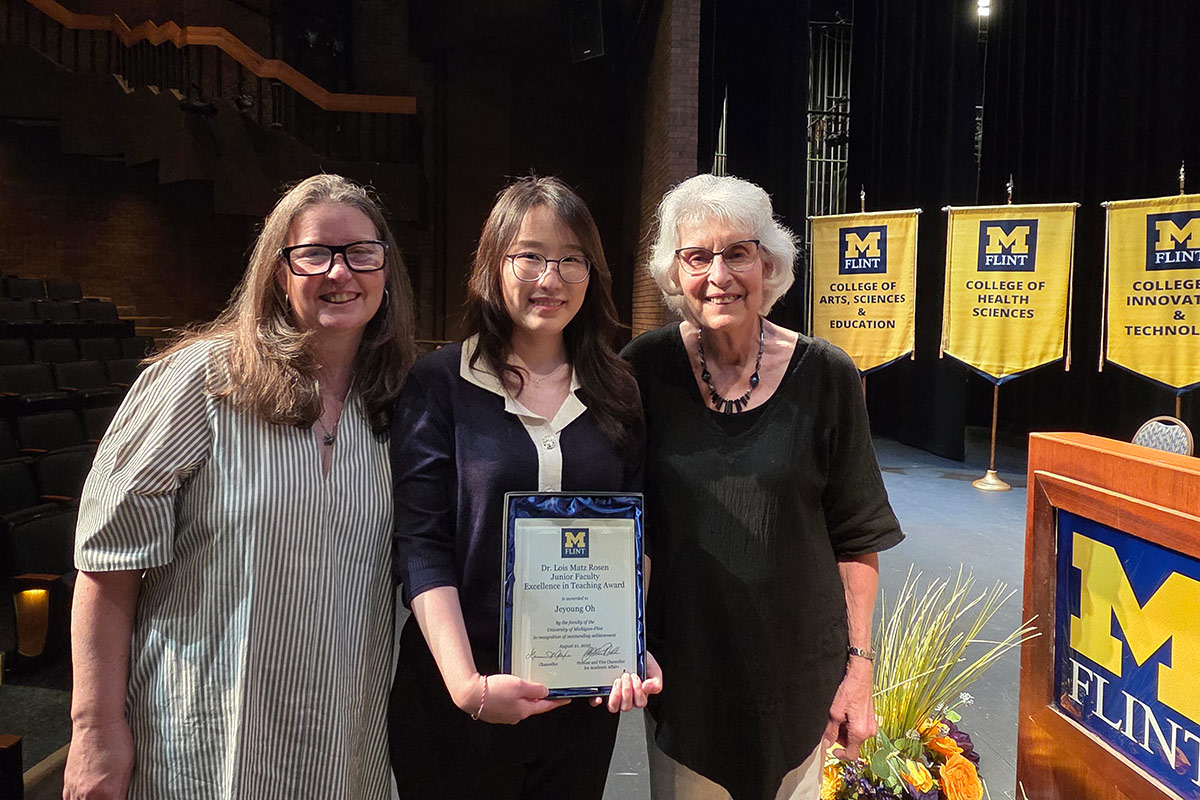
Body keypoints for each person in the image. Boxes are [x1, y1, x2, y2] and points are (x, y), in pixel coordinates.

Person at [63, 174, 417, 800]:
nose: (341, 273)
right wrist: (94, 728)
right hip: (200, 742)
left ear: (385, 270)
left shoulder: (392, 404)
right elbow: (107, 565)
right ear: (280, 272)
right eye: (314, 254)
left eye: (362, 252)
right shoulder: (199, 382)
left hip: (343, 744)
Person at [622, 173, 904, 800]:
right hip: (690, 677)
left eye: (737, 253)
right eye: (697, 256)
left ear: (769, 263)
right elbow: (624, 523)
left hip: (804, 678)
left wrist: (859, 672)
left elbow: (858, 536)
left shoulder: (828, 375)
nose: (718, 274)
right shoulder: (642, 370)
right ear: (675, 273)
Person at [389, 175, 660, 799]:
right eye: (531, 256)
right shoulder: (440, 383)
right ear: (494, 264)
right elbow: (421, 544)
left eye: (572, 259)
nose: (551, 277)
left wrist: (627, 641)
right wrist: (468, 687)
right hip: (457, 700)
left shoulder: (618, 389)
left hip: (576, 703)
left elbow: (636, 532)